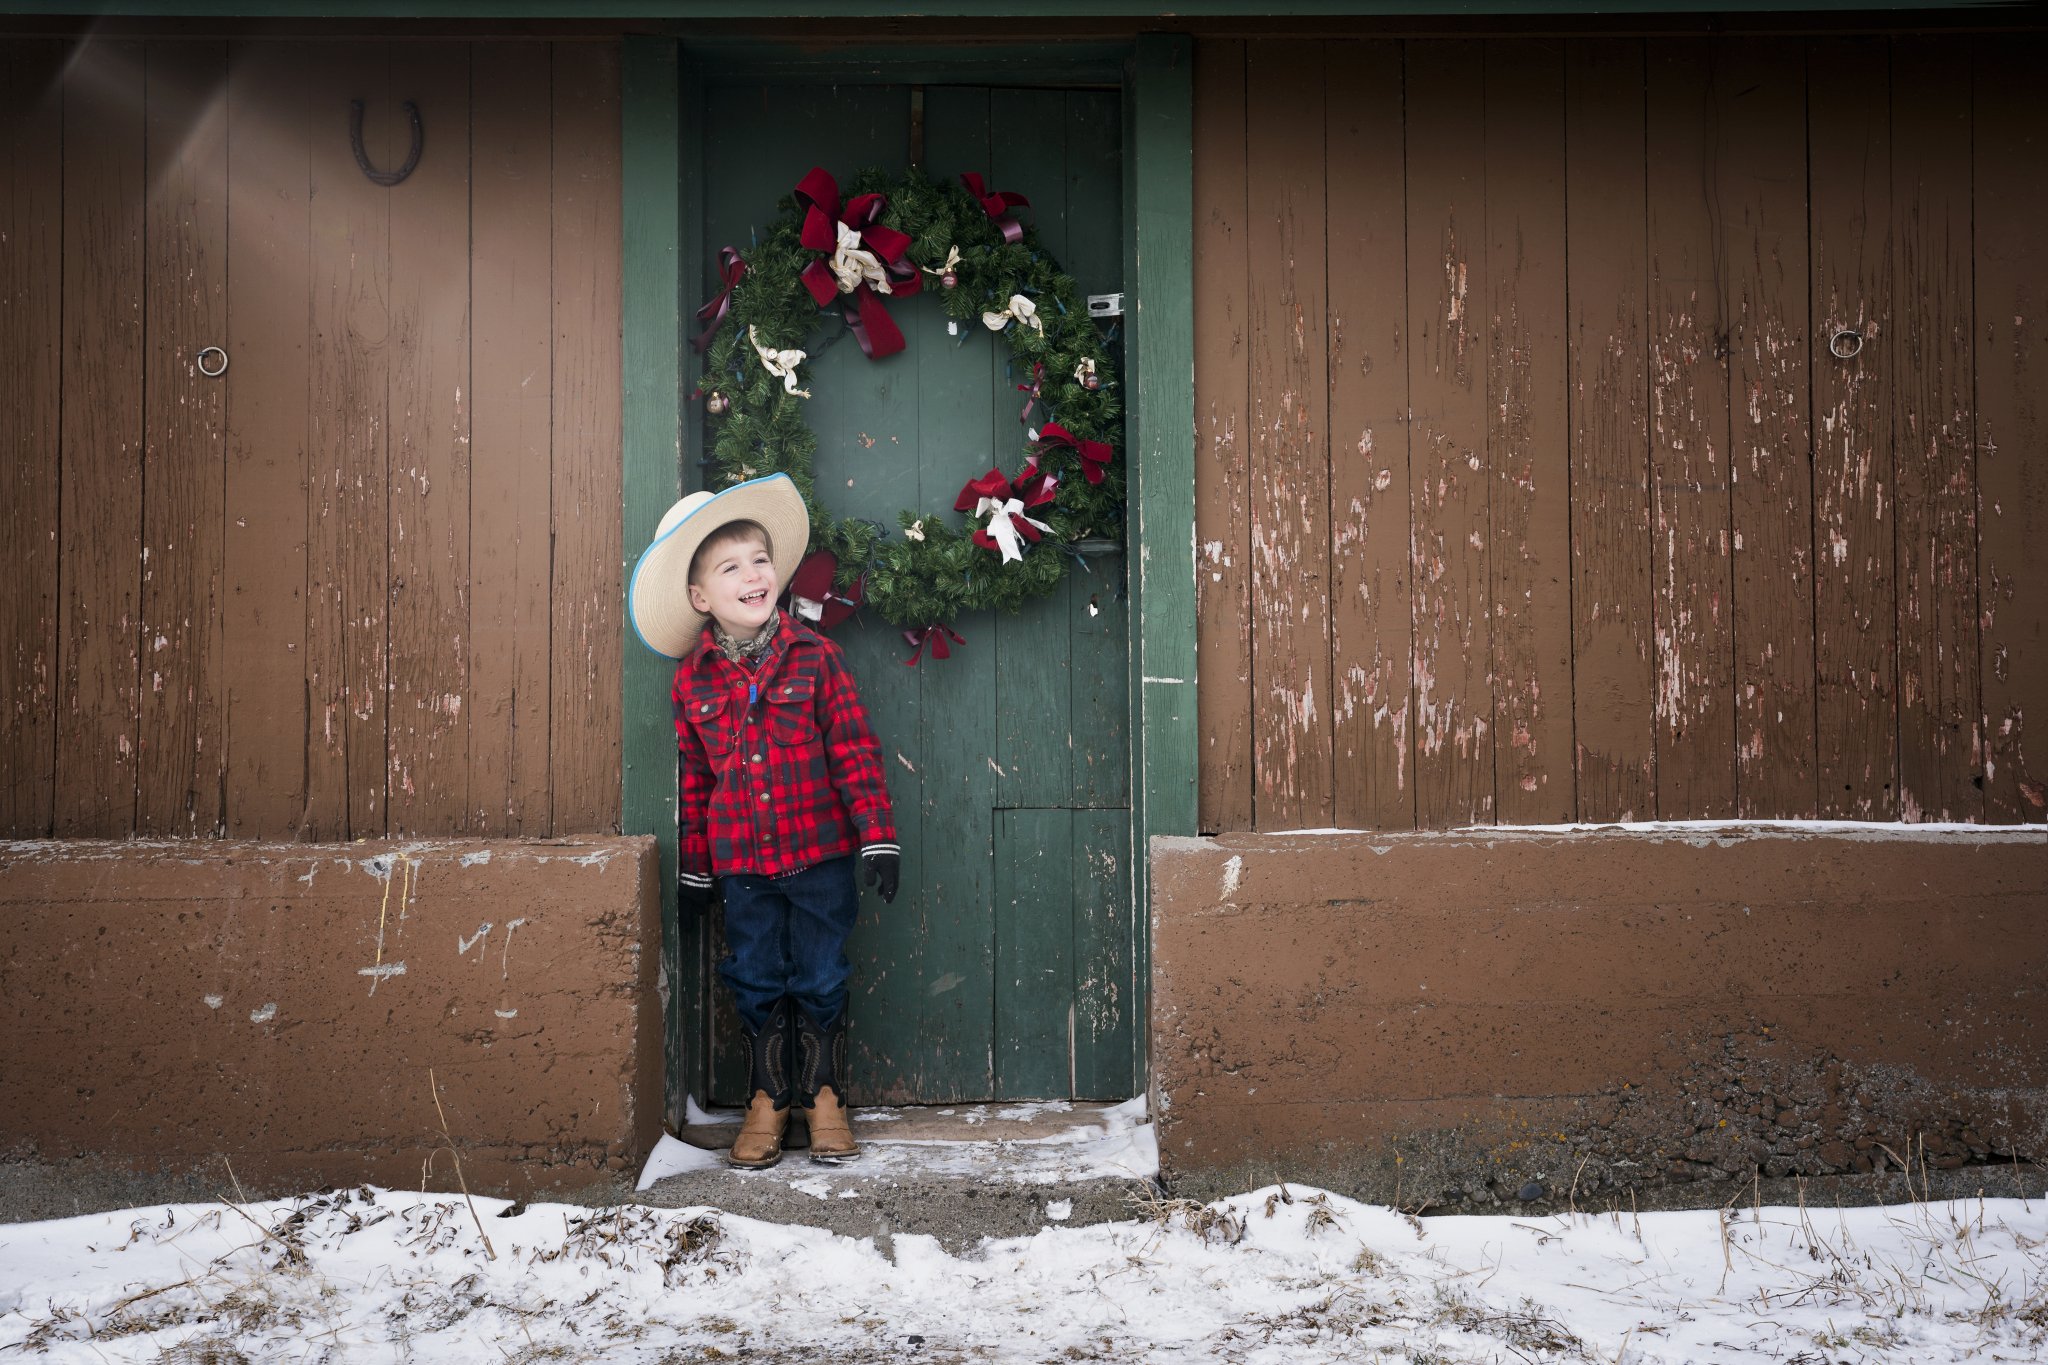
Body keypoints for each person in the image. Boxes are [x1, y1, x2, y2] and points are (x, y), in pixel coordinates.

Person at [628, 474, 899, 1169]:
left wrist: (876, 833)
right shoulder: (693, 682)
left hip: (821, 857)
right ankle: (769, 1095)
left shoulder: (817, 660)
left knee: (820, 971)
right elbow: (695, 778)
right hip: (743, 865)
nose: (753, 575)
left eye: (760, 559)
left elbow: (855, 747)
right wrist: (695, 865)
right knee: (753, 971)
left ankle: (824, 1094)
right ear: (700, 598)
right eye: (731, 567)